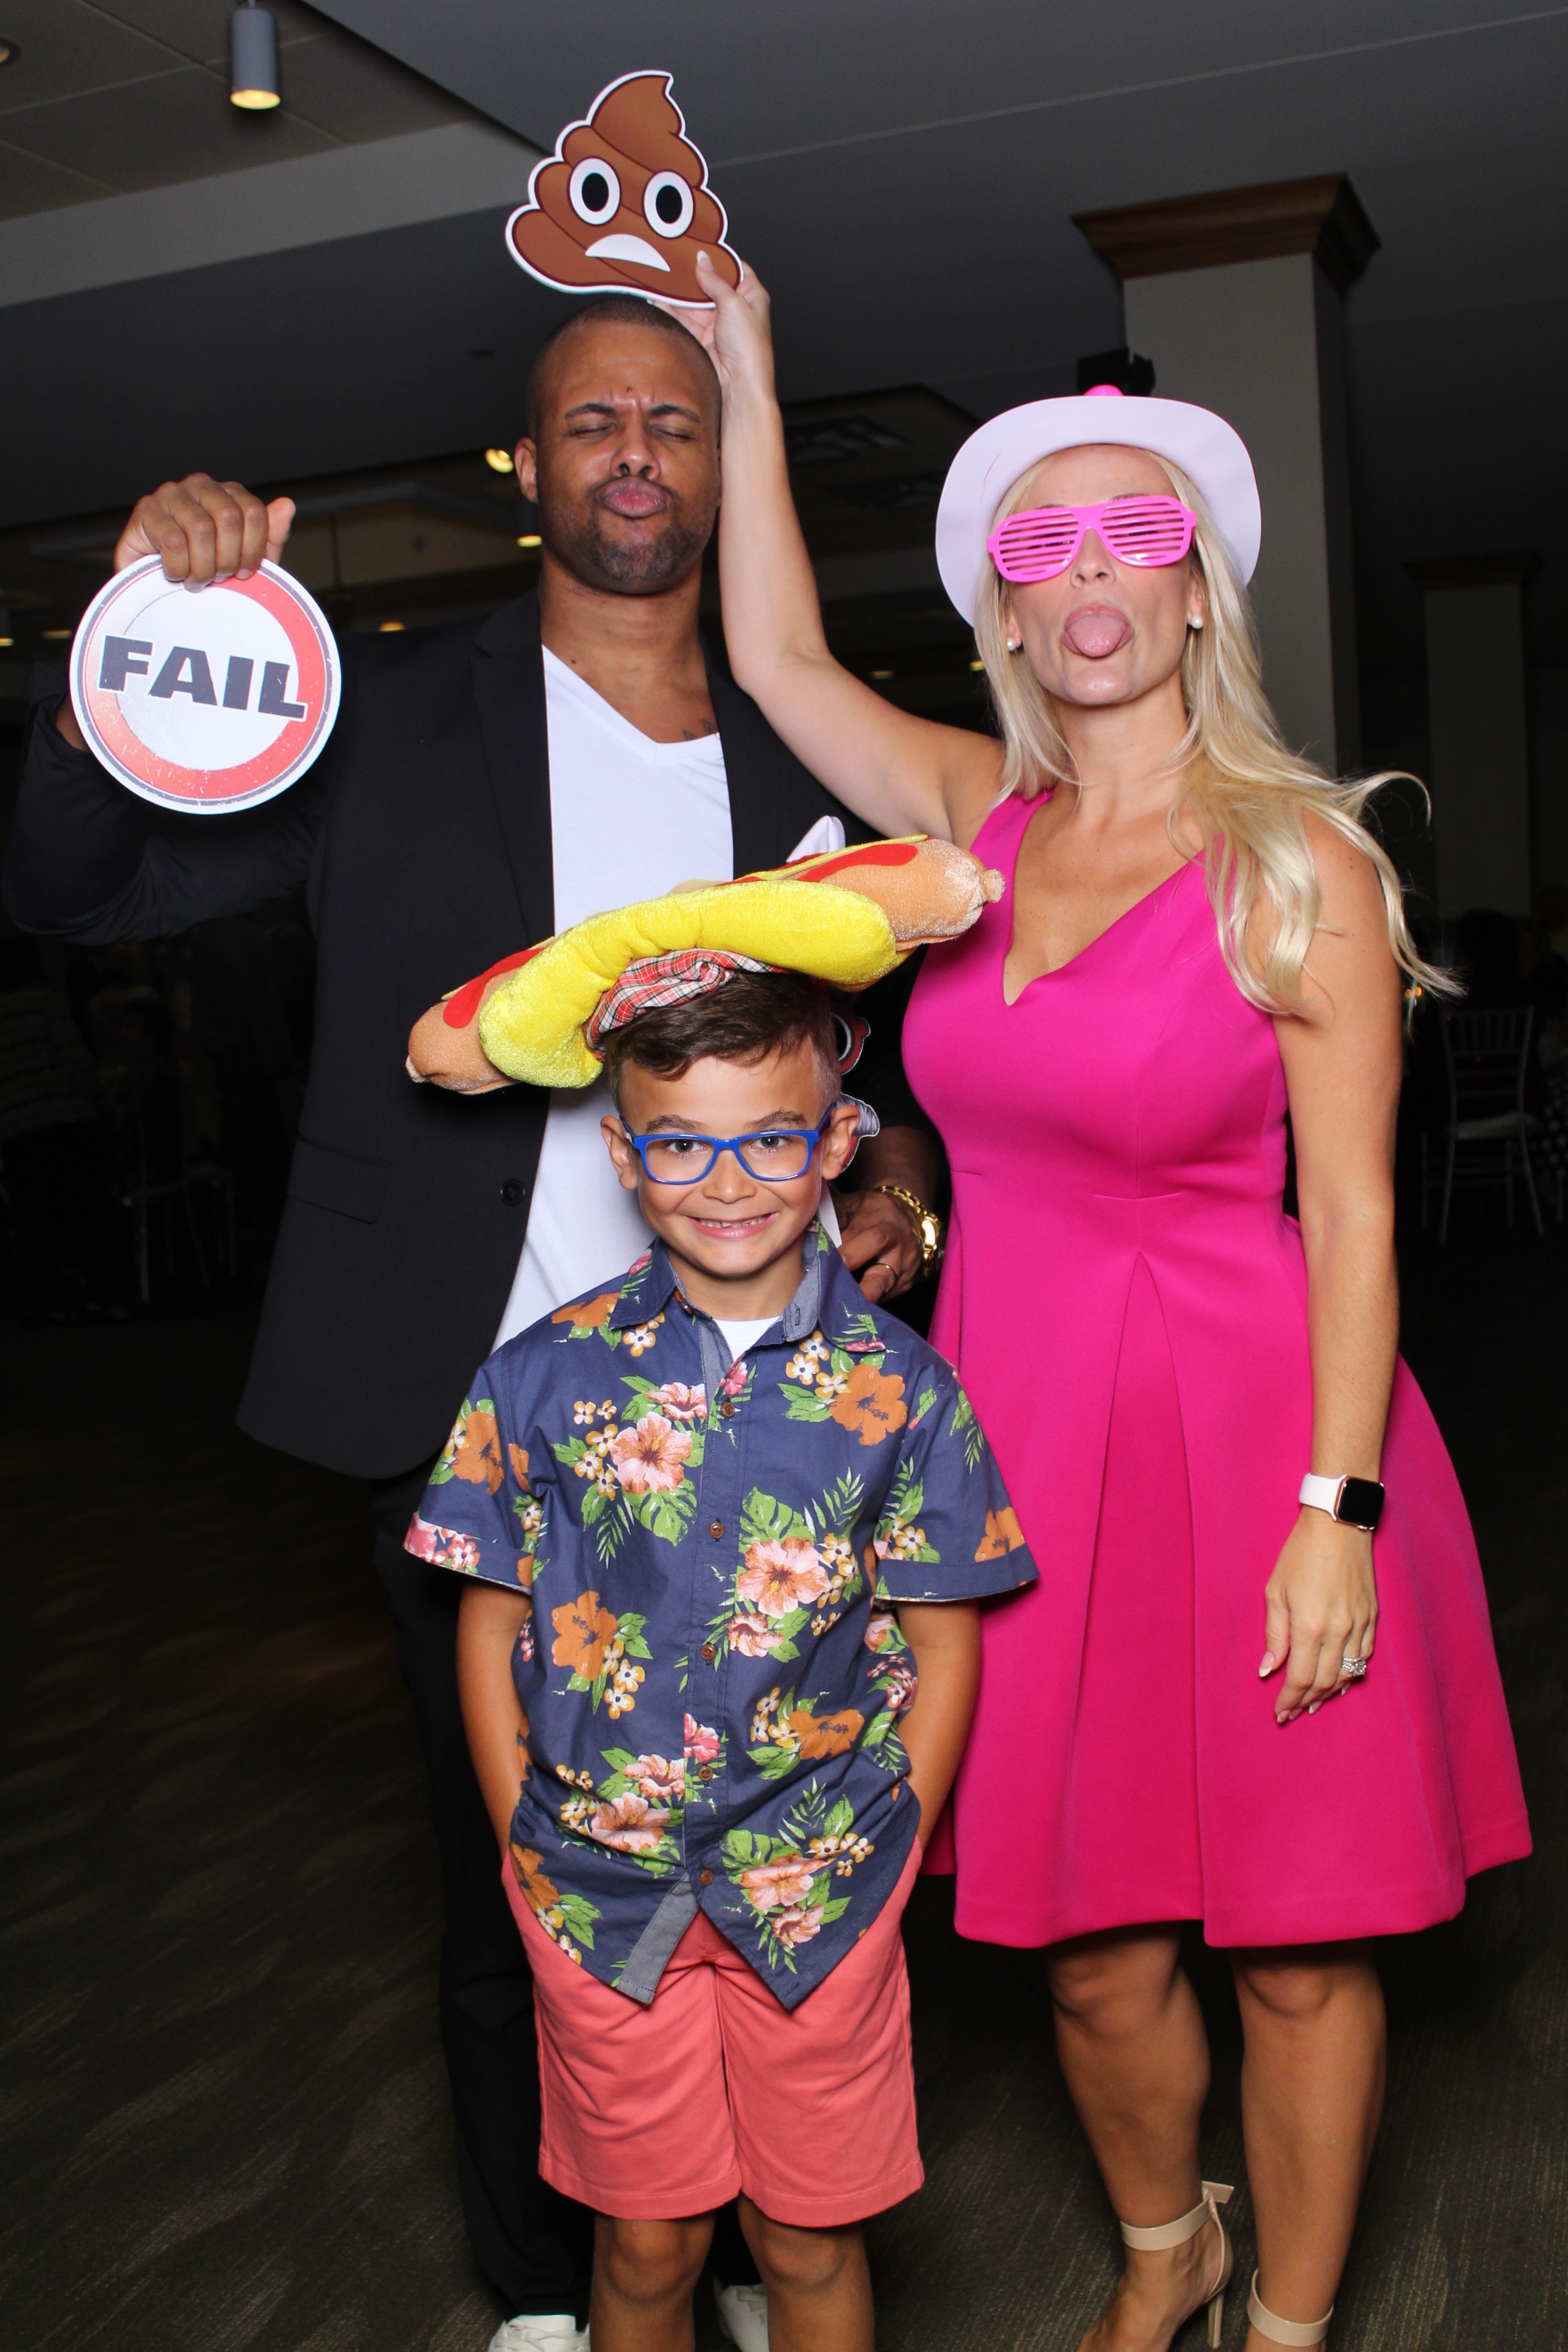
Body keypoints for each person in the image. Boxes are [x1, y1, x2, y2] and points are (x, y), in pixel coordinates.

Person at [1, 295, 942, 2352]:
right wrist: (115, 665)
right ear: (528, 470)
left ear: (722, 465)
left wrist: (901, 1182)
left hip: (777, 1427)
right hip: (477, 1428)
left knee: (802, 1849)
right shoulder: (390, 717)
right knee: (514, 1871)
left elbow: (905, 1044)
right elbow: (83, 888)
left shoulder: (807, 737)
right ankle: (551, 2279)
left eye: (673, 424)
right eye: (590, 422)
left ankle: (780, 2241)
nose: (633, 455)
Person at [683, 251, 1532, 2351]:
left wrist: (1339, 1510)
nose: (1088, 577)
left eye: (1133, 533)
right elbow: (781, 661)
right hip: (1021, 1438)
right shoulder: (979, 822)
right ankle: (1171, 2246)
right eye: (1038, 540)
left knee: (1302, 1946)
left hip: (1267, 1434)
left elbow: (1354, 1218)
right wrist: (749, 370)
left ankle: (1294, 2326)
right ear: (1002, 601)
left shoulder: (1303, 863)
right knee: (1076, 1940)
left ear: (1195, 590)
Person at [408, 953, 1035, 2352]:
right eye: (683, 1141)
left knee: (809, 2245)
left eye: (771, 1137)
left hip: (818, 1888)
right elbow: (489, 1609)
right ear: (626, 1152)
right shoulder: (540, 1374)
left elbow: (944, 1640)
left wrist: (897, 1832)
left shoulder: (905, 1393)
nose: (729, 1179)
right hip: (594, 1890)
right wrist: (522, 1822)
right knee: (646, 2244)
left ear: (834, 1141)